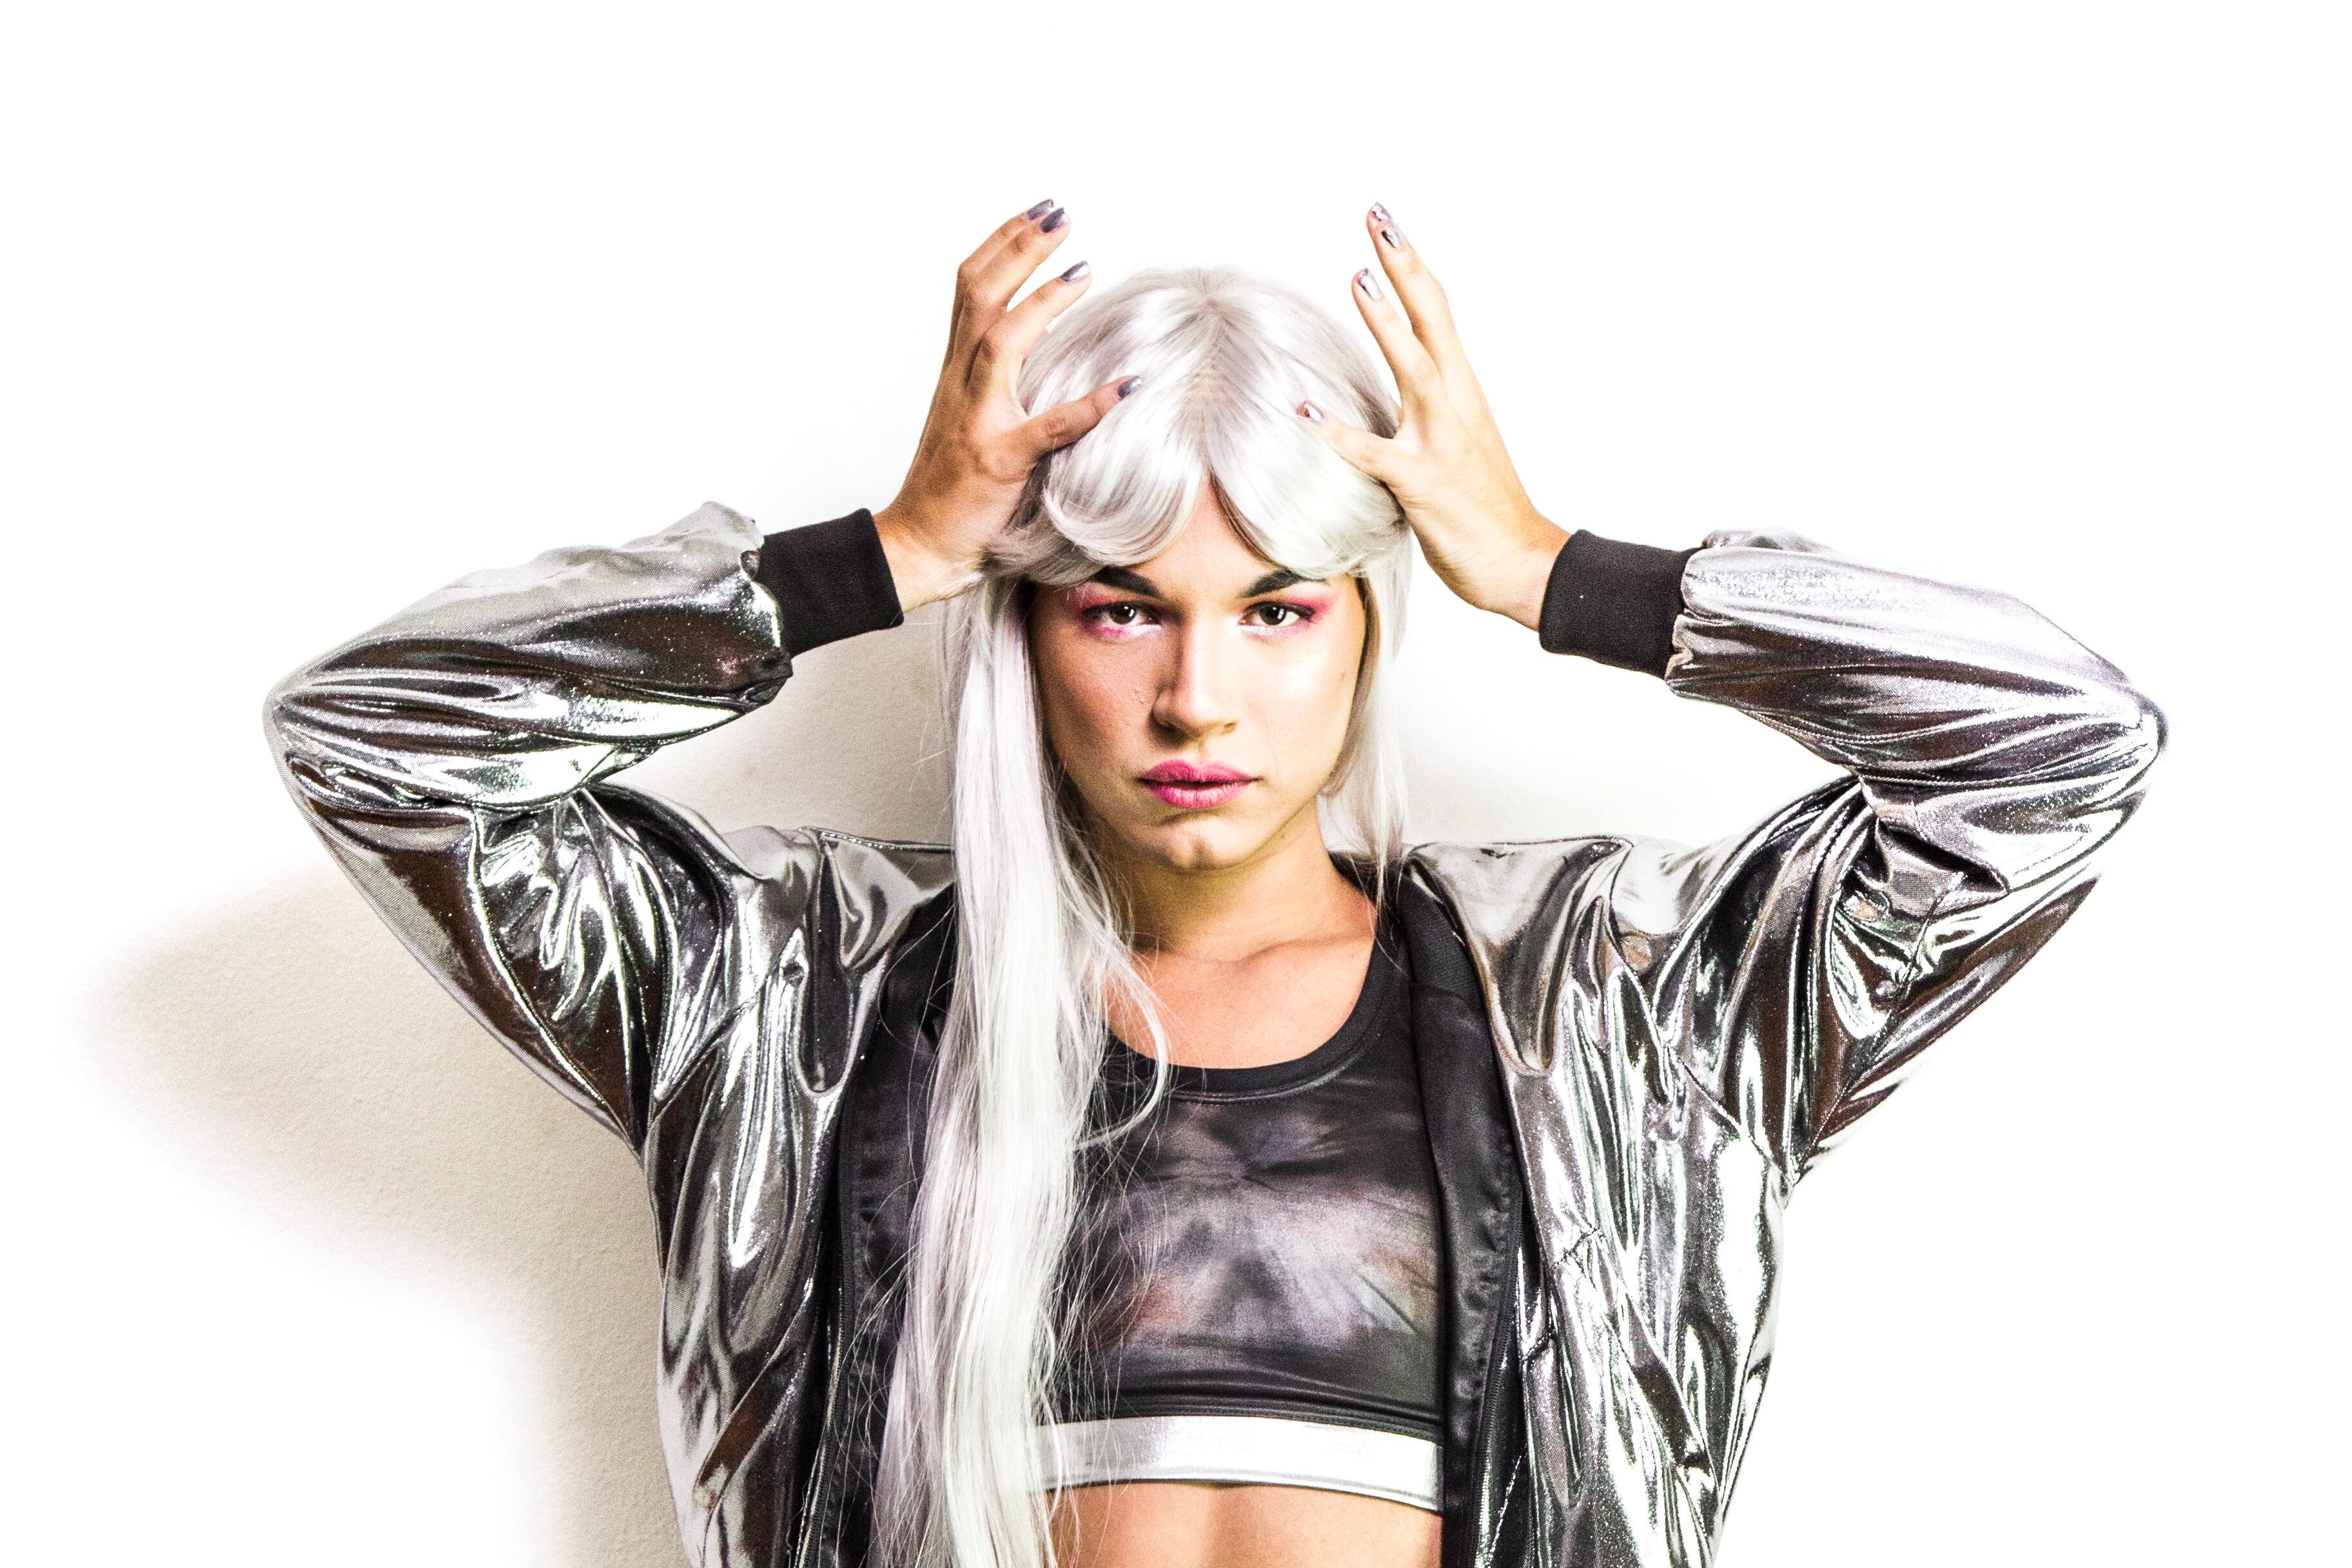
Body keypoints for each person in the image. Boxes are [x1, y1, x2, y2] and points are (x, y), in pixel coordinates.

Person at [262, 198, 2165, 1568]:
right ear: (1022, 626)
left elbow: (2059, 750)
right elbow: (373, 743)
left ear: (1368, 624)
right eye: (1120, 607)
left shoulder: (1629, 1008)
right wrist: (880, 553)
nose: (1197, 695)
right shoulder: (779, 999)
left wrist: (1554, 572)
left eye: (1276, 607)